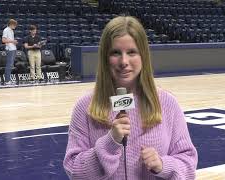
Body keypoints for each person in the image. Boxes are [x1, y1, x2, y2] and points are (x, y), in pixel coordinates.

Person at [63, 16, 198, 180]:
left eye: (132, 52)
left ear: (143, 56)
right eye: (115, 53)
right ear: (105, 58)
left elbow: (188, 166)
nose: (124, 61)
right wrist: (109, 143)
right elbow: (74, 171)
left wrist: (163, 165)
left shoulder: (168, 104)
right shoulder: (85, 107)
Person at [2, 19, 18, 85]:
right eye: (15, 25)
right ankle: (7, 80)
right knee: (9, 65)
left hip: (13, 48)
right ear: (11, 24)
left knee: (11, 65)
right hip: (9, 49)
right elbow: (3, 40)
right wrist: (12, 41)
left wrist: (14, 43)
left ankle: (9, 79)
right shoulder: (6, 30)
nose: (15, 26)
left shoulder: (11, 31)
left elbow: (10, 40)